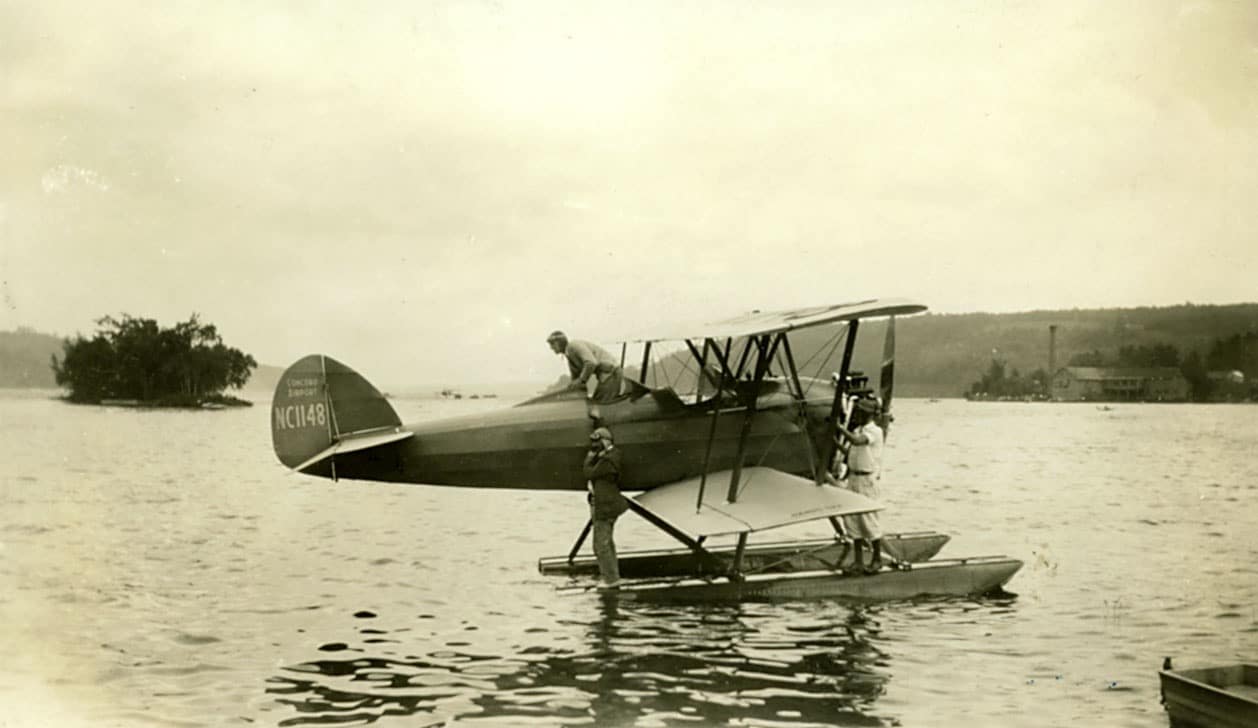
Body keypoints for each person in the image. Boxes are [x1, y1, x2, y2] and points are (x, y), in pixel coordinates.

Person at [834, 397, 889, 574]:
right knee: (852, 519)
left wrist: (838, 427)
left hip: (867, 480)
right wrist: (833, 440)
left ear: (870, 414)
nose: (859, 415)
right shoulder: (858, 430)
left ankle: (877, 559)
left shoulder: (875, 431)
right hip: (853, 478)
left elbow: (858, 441)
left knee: (868, 518)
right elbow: (850, 451)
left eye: (862, 412)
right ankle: (858, 561)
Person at [583, 426, 628, 587]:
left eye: (598, 443)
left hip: (605, 507)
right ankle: (613, 576)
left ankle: (611, 581)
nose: (595, 447)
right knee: (606, 543)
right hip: (607, 505)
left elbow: (588, 473)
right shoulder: (611, 456)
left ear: (605, 442)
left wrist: (589, 458)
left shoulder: (608, 460)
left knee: (600, 545)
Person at [547, 331, 623, 403]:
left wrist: (581, 380)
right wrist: (572, 387)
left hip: (611, 372)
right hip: (605, 375)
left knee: (601, 405)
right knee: (595, 402)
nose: (551, 347)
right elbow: (576, 379)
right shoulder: (569, 354)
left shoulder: (573, 345)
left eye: (552, 344)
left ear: (559, 342)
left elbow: (591, 363)